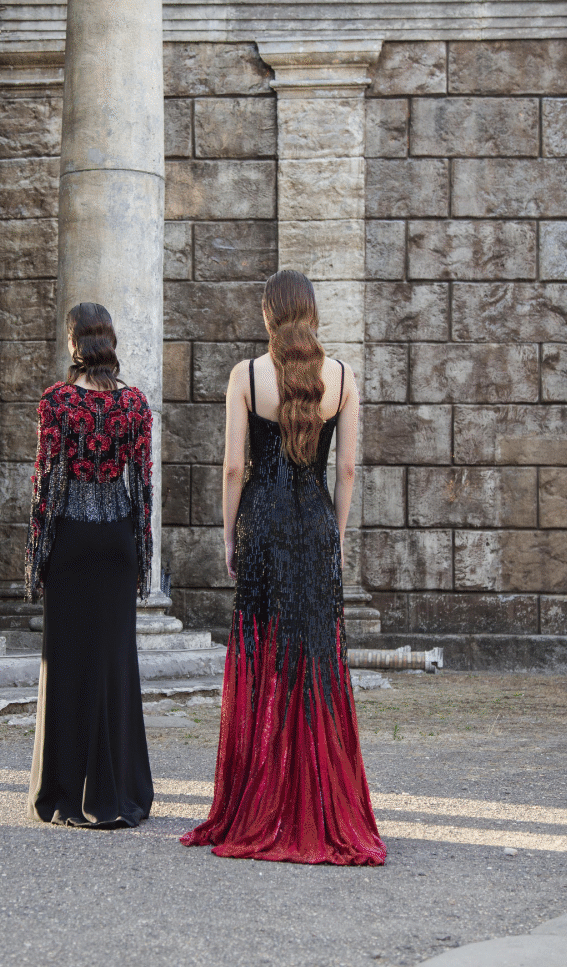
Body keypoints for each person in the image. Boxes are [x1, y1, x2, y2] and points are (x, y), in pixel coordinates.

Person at [181, 270, 386, 866]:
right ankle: (317, 805)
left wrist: (228, 534)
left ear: (268, 315)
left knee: (263, 657)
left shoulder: (246, 376)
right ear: (312, 312)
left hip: (262, 526)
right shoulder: (342, 378)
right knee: (315, 657)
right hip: (315, 524)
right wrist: (335, 535)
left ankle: (260, 801)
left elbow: (232, 468)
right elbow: (346, 471)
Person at [24, 302, 155, 828]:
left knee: (67, 663)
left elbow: (46, 481)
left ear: (75, 342)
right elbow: (142, 487)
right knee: (114, 665)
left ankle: (63, 789)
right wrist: (142, 554)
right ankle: (119, 789)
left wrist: (37, 553)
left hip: (72, 541)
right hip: (117, 542)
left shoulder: (56, 401)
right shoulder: (135, 404)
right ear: (111, 342)